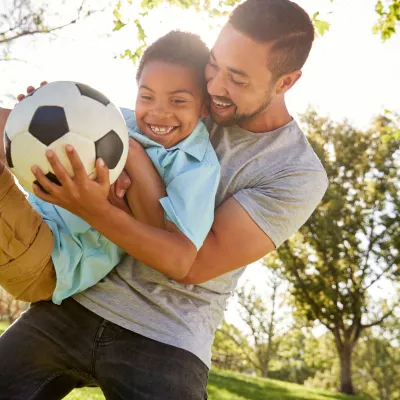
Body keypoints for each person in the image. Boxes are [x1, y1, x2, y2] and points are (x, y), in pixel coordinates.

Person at [0, 0, 328, 399]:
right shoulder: (177, 99)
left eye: (237, 79)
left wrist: (98, 205)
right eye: (215, 65)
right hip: (78, 296)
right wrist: (35, 118)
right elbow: (91, 134)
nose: (216, 87)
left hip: (167, 333)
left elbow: (190, 265)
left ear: (286, 82)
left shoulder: (295, 172)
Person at [0, 31, 220, 305]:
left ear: (204, 107)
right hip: (30, 214)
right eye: (147, 97)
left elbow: (178, 259)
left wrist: (132, 156)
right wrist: (31, 114)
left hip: (53, 258)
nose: (158, 113)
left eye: (178, 101)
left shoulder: (196, 165)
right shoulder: (112, 118)